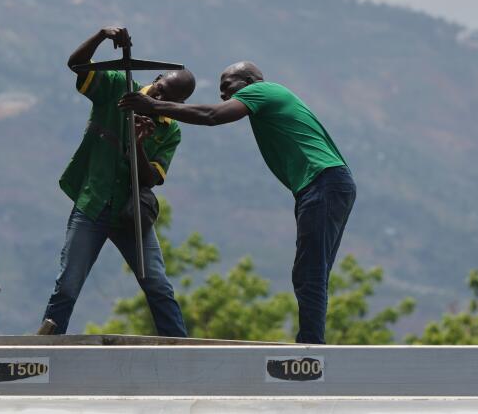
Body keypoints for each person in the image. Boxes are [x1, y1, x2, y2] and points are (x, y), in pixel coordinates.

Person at [119, 61, 354, 344]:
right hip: (326, 185)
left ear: (249, 79)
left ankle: (311, 349)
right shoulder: (268, 100)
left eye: (226, 86)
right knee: (310, 271)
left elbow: (211, 115)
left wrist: (154, 106)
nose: (222, 95)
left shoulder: (262, 91)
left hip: (323, 183)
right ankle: (311, 342)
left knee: (310, 271)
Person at [40, 26, 196, 337]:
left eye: (169, 100)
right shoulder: (115, 88)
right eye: (161, 89)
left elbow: (151, 178)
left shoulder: (169, 130)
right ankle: (48, 342)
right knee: (69, 281)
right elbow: (76, 65)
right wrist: (101, 36)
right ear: (157, 79)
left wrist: (137, 142)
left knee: (157, 282)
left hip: (130, 214)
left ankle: (179, 345)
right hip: (93, 201)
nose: (160, 98)